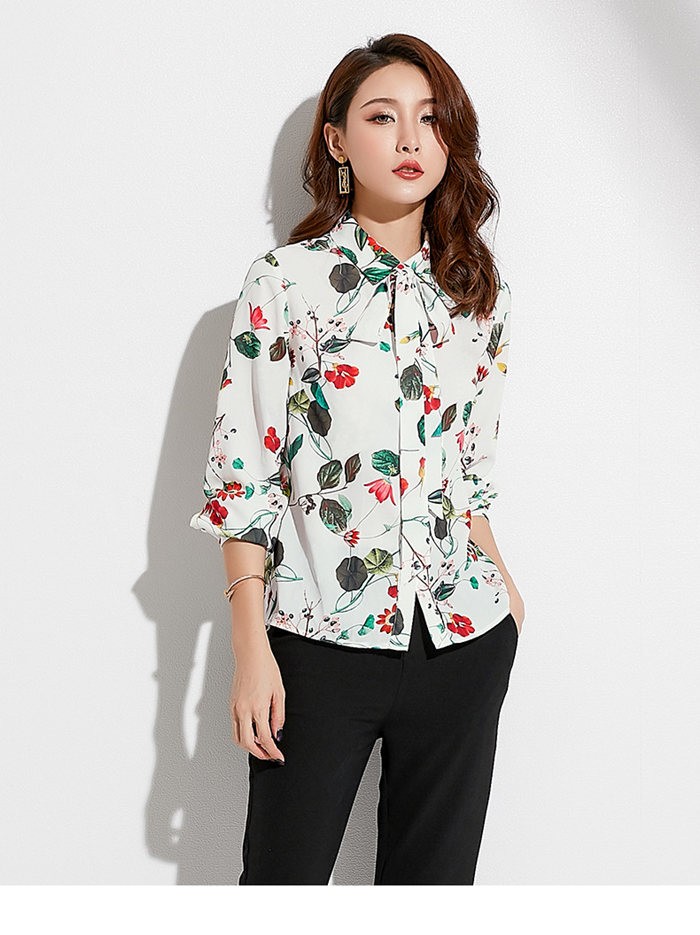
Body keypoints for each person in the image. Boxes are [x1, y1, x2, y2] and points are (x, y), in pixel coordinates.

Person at [189, 32, 526, 885]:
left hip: (461, 638)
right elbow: (244, 481)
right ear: (337, 142)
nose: (411, 140)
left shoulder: (478, 294)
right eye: (382, 117)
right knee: (281, 885)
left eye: (430, 119)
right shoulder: (285, 282)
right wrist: (250, 649)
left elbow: (470, 474)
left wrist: (505, 595)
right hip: (317, 644)